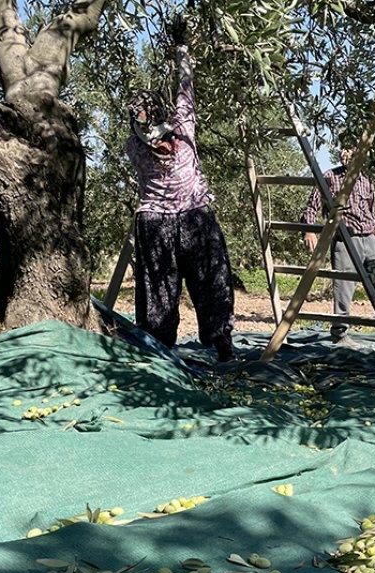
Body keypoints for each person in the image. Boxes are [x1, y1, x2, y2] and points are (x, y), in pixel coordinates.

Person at [125, 22, 234, 361]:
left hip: (154, 220)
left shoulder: (133, 145)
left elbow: (144, 132)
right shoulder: (183, 129)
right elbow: (185, 87)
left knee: (159, 288)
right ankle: (222, 344)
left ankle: (158, 348)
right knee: (211, 281)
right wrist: (182, 50)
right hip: (193, 216)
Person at [300, 146, 375, 346]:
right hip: (344, 238)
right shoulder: (330, 177)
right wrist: (308, 230)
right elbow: (312, 206)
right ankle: (340, 334)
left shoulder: (366, 180)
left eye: (351, 152)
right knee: (343, 287)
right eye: (343, 152)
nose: (346, 155)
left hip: (369, 237)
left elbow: (372, 211)